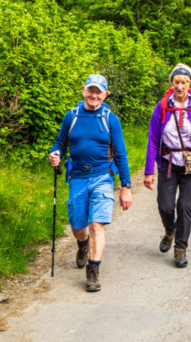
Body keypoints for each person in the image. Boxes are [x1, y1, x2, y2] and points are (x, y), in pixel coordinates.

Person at [49, 74, 132, 292]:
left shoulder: (110, 119)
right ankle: (82, 244)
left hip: (103, 176)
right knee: (79, 227)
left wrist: (126, 186)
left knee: (97, 224)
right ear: (84, 90)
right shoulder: (72, 116)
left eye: (99, 92)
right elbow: (60, 142)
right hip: (77, 176)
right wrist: (54, 155)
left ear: (105, 94)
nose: (94, 95)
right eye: (91, 90)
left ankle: (93, 270)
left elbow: (121, 154)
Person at [143, 64, 191, 268]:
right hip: (168, 162)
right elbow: (153, 140)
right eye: (176, 82)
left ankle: (180, 248)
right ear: (171, 83)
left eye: (184, 82)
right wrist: (149, 170)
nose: (180, 86)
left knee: (185, 206)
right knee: (165, 206)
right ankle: (170, 230)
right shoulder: (162, 107)